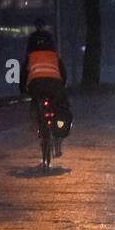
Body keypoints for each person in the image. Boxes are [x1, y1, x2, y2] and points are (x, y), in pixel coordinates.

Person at [20, 24, 71, 157]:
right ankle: (58, 135)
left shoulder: (30, 57)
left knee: (36, 104)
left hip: (36, 86)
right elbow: (63, 73)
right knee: (60, 107)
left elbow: (23, 75)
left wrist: (23, 89)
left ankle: (37, 126)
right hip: (55, 85)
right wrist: (62, 86)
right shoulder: (54, 56)